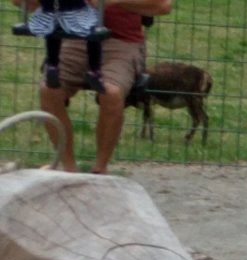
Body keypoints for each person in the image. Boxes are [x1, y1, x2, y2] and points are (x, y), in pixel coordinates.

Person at [12, 0, 173, 174]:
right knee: (49, 90)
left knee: (111, 92)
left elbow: (163, 6)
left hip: (121, 43)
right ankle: (68, 168)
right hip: (75, 39)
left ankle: (100, 168)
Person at [26, 0, 105, 94]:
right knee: (93, 29)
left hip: (47, 14)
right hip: (75, 14)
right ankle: (94, 70)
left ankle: (52, 65)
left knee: (53, 30)